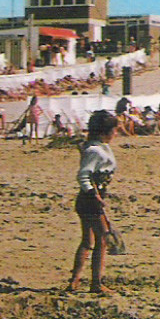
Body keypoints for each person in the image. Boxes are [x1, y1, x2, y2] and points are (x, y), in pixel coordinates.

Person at [68, 109, 119, 296]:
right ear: (105, 131)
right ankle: (96, 282)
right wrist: (94, 195)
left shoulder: (97, 147)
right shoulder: (94, 151)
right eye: (114, 130)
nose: (116, 134)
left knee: (88, 240)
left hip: (88, 199)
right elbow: (83, 175)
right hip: (90, 200)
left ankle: (75, 281)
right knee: (102, 239)